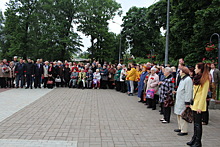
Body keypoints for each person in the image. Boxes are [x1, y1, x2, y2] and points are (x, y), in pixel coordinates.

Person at [187, 63, 210, 147]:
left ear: (200, 69)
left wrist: (200, 107)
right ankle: (194, 139)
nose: (195, 69)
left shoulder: (205, 80)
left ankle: (198, 142)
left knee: (198, 124)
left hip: (199, 105)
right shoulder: (197, 78)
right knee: (195, 124)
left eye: (196, 68)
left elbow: (203, 95)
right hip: (195, 103)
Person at [173, 67, 193, 136]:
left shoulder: (188, 80)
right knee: (178, 114)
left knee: (183, 115)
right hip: (180, 99)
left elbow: (188, 91)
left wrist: (187, 102)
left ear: (184, 72)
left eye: (180, 71)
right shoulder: (182, 79)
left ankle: (184, 130)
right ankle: (180, 127)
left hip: (183, 100)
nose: (179, 72)